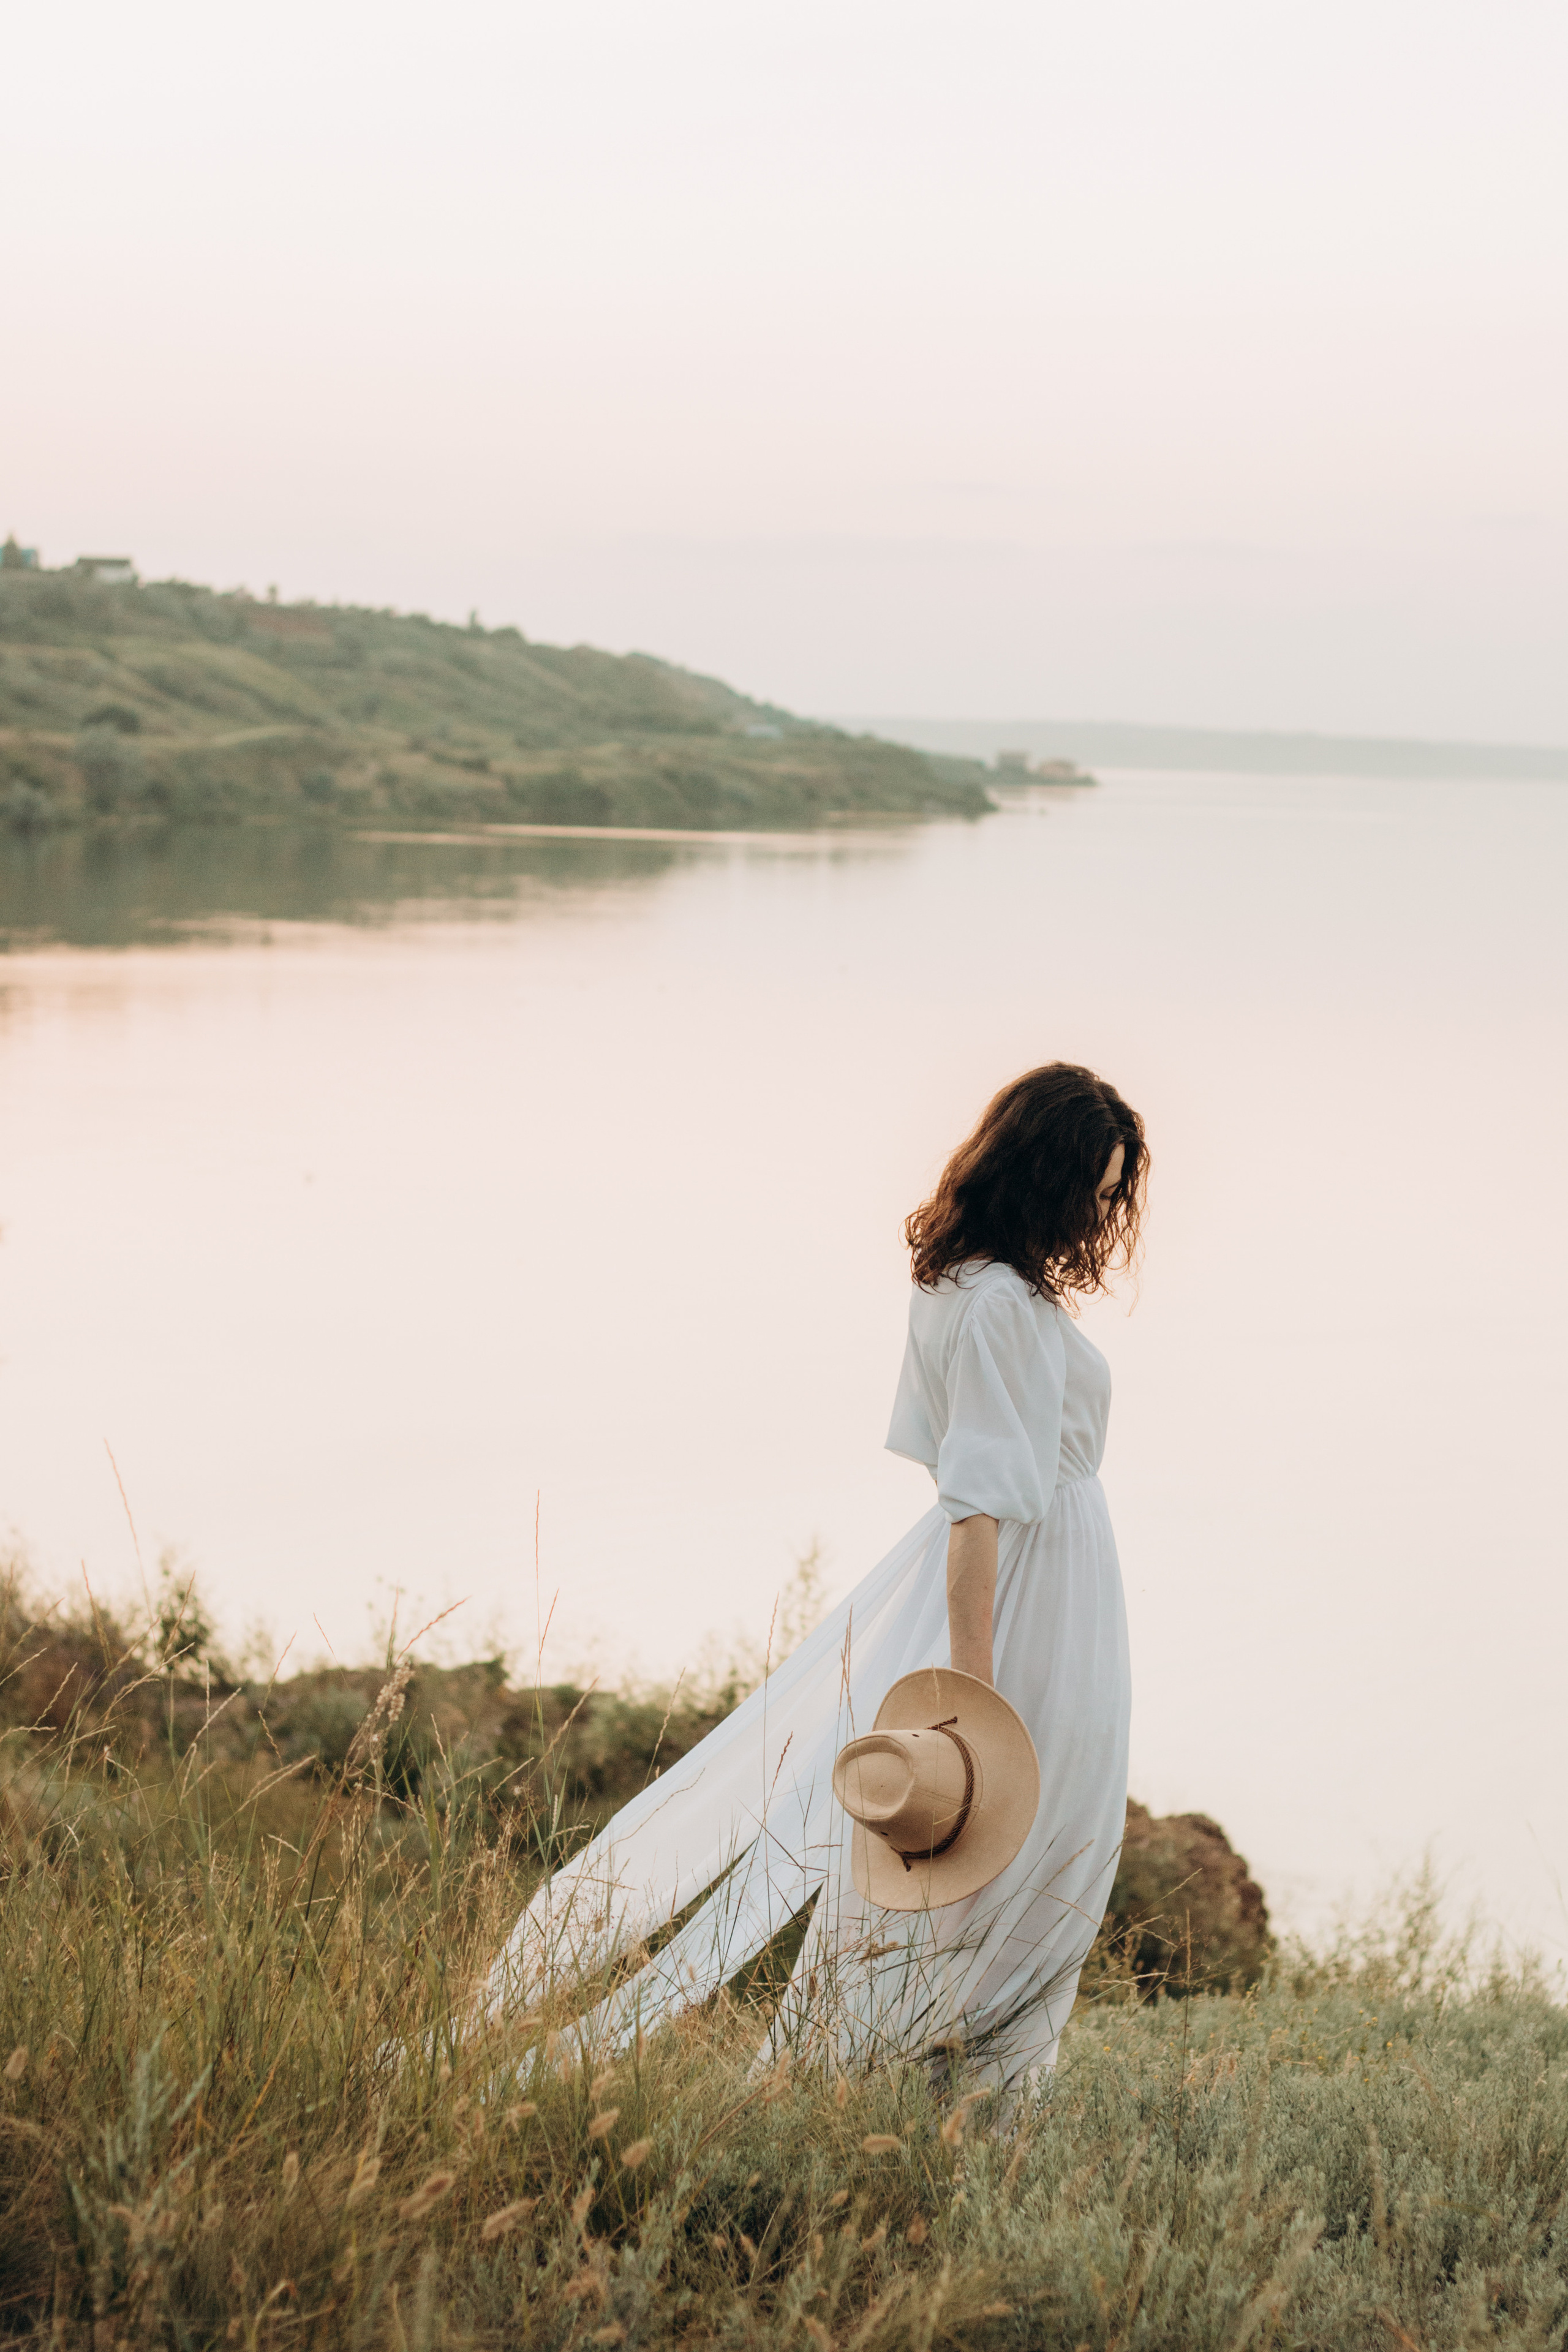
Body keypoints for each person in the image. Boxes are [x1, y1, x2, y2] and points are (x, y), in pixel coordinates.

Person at [489, 1061, 1145, 2105]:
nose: (1108, 1214)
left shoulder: (960, 1281)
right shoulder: (1005, 1307)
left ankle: (943, 2080)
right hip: (1029, 1590)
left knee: (988, 1858)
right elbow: (977, 1504)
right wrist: (974, 1693)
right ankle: (958, 2088)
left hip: (1028, 1578)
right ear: (1050, 1177)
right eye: (1101, 1191)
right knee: (1029, 1849)